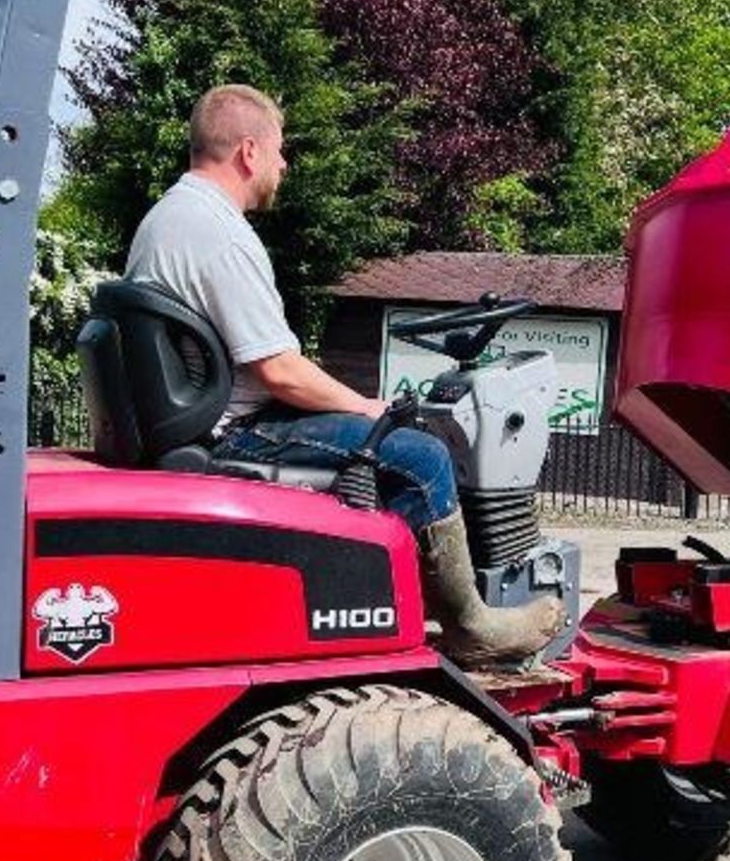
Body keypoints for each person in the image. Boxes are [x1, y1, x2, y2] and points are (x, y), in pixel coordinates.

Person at [123, 83, 561, 666]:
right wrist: (367, 407)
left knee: (394, 438)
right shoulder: (219, 235)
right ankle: (468, 624)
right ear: (249, 151)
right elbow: (279, 371)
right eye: (280, 152)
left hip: (210, 415)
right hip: (239, 428)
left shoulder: (168, 217)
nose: (283, 166)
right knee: (421, 456)